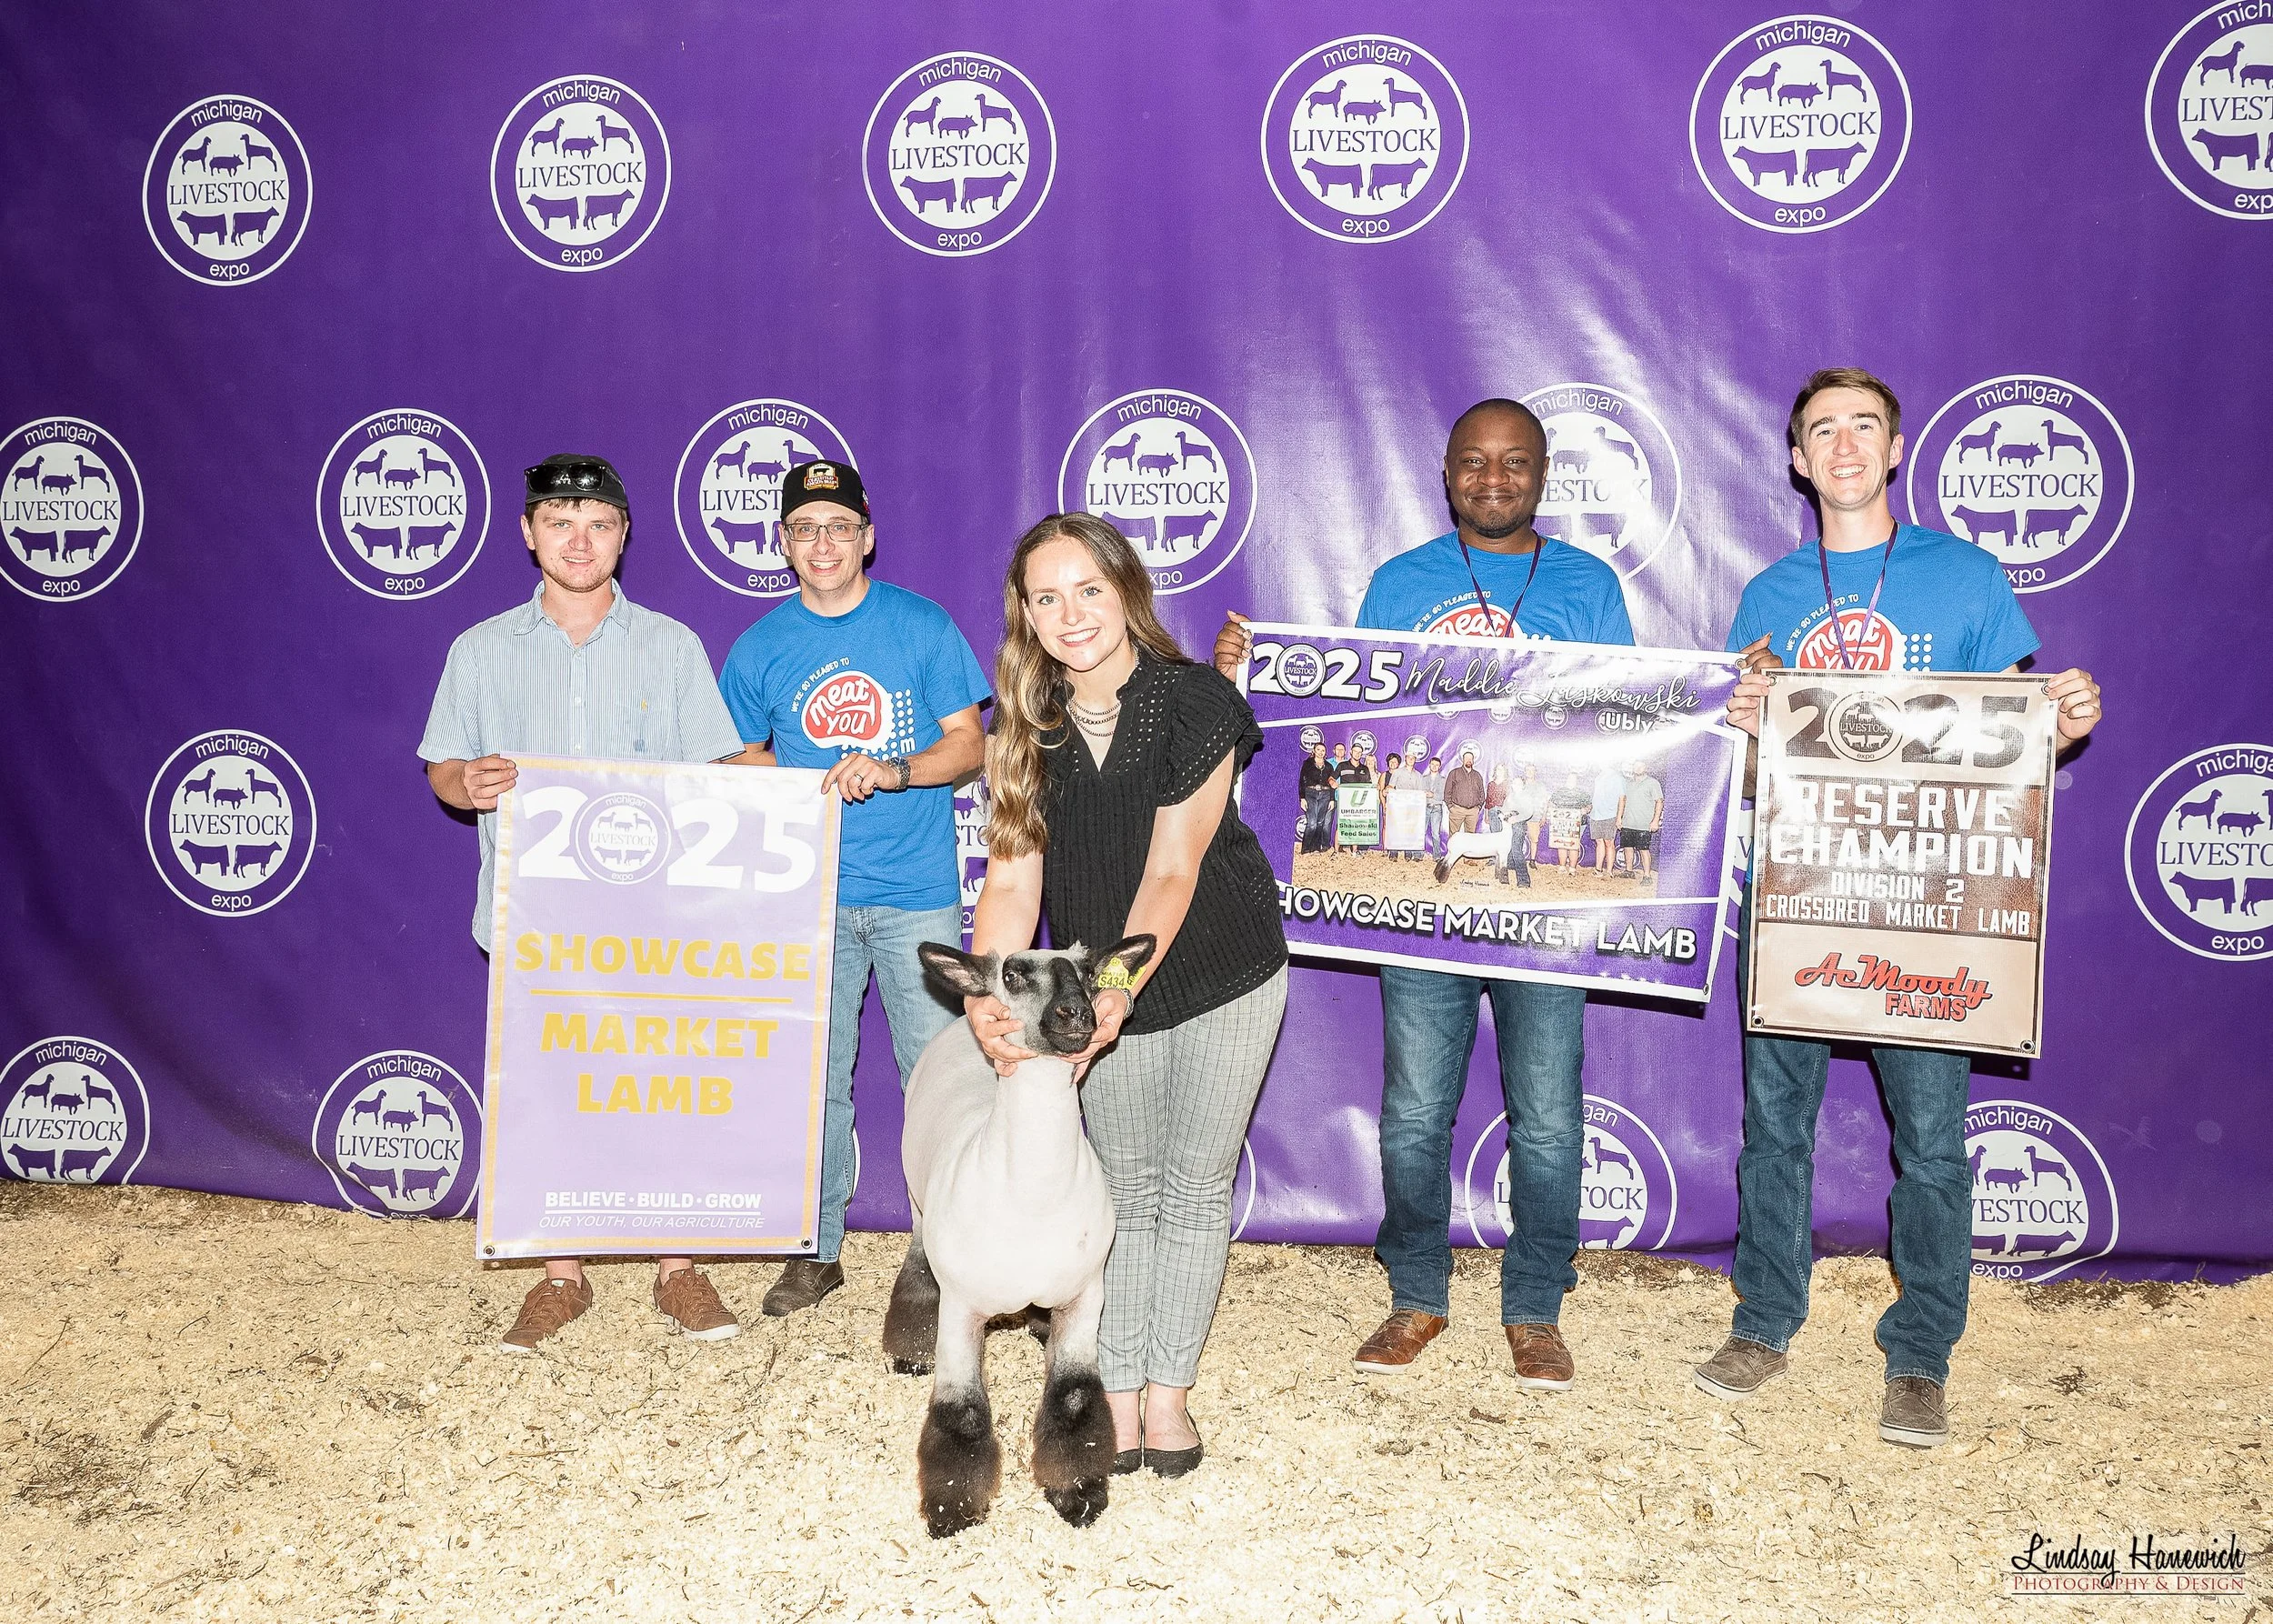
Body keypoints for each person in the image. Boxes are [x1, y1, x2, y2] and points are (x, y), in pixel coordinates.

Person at [1697, 367, 2104, 1449]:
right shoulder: (1768, 593)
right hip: (1795, 898)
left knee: (1931, 1143)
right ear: (1794, 457)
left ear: (1895, 448)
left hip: (1931, 910)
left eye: (1861, 426)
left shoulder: (1964, 577)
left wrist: (2061, 719)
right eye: (1820, 429)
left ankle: (1920, 1351)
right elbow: (1744, 769)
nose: (1841, 444)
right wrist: (1739, 722)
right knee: (1772, 1131)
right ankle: (1764, 1321)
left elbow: (2016, 738)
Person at [1215, 398, 1635, 1388]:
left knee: (1547, 1114)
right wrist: (1256, 671)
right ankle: (1415, 1294)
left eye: (1515, 462)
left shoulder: (1588, 583)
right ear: (1447, 473)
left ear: (1542, 474)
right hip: (1422, 894)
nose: (1494, 479)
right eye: (1475, 464)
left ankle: (1534, 1305)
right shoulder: (1403, 581)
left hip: (1544, 897)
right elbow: (1355, 708)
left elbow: (1634, 713)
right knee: (1412, 1109)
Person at [966, 512, 1287, 1477]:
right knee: (1122, 1187)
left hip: (1224, 972)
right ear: (1025, 613)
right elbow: (1014, 882)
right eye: (1046, 596)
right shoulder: (1023, 723)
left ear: (1127, 591)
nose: (1071, 614)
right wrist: (991, 993)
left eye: (1089, 589)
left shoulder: (1195, 701)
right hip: (1101, 986)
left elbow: (1175, 870)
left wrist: (1111, 993)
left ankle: (1167, 1396)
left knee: (1190, 1187)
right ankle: (1110, 1387)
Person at [420, 454, 752, 1354]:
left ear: (624, 536)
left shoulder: (670, 645)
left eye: (599, 523)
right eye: (560, 522)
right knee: (546, 1090)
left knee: (662, 1085)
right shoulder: (481, 649)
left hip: (651, 922)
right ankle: (558, 1275)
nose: (579, 540)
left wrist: (800, 782)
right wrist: (469, 782)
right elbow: (445, 769)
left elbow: (717, 768)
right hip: (534, 921)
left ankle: (677, 1267)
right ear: (529, 533)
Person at [719, 460, 990, 1317]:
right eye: (805, 529)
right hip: (809, 896)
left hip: (915, 892)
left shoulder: (920, 625)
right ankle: (817, 1246)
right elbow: (733, 756)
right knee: (814, 1077)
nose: (823, 543)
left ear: (867, 536)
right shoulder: (760, 646)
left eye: (839, 526)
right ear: (784, 545)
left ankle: (939, 1253)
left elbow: (970, 744)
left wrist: (897, 767)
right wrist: (794, 772)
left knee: (941, 1077)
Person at [1617, 757, 1663, 877]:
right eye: (1636, 766)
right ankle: (1629, 871)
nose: (1638, 768)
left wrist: (1655, 821)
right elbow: (1623, 801)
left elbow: (1659, 802)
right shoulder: (1628, 783)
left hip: (1644, 824)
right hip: (1628, 822)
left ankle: (1647, 876)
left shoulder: (1653, 783)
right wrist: (1619, 818)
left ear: (1646, 767)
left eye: (1641, 766)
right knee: (1627, 848)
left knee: (1644, 850)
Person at [1298, 740, 1337, 854]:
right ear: (1314, 751)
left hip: (1325, 794)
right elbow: (1302, 781)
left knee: (1320, 822)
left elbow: (1331, 783)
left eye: (1323, 750)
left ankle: (1315, 848)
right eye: (1318, 750)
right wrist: (1302, 798)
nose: (1321, 752)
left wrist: (1332, 799)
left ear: (1326, 753)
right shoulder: (1307, 764)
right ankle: (1305, 849)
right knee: (1312, 823)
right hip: (1310, 793)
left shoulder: (1329, 766)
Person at [1547, 771, 1590, 867]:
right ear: (1566, 779)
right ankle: (1562, 866)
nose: (1572, 780)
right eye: (1570, 778)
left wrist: (1586, 809)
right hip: (1562, 822)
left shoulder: (1582, 793)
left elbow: (1589, 805)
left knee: (1574, 845)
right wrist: (1551, 809)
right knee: (1562, 844)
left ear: (1577, 781)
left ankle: (1572, 868)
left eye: (1574, 779)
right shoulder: (1560, 791)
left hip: (1578, 823)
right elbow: (1550, 803)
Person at [1589, 763, 1626, 873]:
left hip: (1610, 815)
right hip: (1595, 814)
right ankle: (1598, 869)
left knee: (1609, 843)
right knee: (1599, 842)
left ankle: (1609, 871)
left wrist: (1619, 817)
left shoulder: (1618, 777)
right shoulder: (1598, 777)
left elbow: (1622, 798)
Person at [1443, 747, 1485, 837]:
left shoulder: (1477, 775)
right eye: (1467, 758)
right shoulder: (1454, 773)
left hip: (1473, 811)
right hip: (1457, 810)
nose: (1469, 760)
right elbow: (1447, 792)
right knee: (1454, 836)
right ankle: (1452, 851)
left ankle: (1468, 851)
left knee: (1470, 837)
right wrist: (1451, 807)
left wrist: (1478, 807)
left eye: (1471, 759)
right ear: (1463, 760)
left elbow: (1482, 793)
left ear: (1473, 761)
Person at [1421, 755, 1447, 858]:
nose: (1434, 766)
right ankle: (1419, 854)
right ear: (1429, 765)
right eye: (1433, 764)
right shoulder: (1423, 779)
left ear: (1440, 767)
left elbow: (1444, 796)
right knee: (1421, 831)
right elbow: (1420, 792)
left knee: (1435, 833)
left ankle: (1437, 855)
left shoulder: (1443, 780)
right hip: (1425, 807)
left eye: (1437, 765)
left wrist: (1433, 795)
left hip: (1437, 807)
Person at [1484, 762, 1510, 833]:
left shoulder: (1508, 784)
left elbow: (1509, 800)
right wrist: (1486, 815)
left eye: (1502, 769)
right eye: (1498, 769)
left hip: (1503, 812)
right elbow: (1488, 801)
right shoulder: (1491, 784)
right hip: (1492, 812)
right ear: (1495, 771)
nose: (1500, 771)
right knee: (1494, 836)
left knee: (1503, 835)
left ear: (1505, 771)